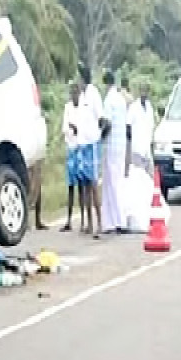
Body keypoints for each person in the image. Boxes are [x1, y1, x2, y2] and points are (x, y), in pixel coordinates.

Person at [77, 64, 104, 239]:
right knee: (84, 185)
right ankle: (88, 223)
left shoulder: (93, 94)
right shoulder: (81, 96)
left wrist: (99, 136)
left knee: (93, 185)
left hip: (92, 144)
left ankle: (100, 223)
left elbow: (101, 118)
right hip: (82, 144)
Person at [101, 69, 129, 234]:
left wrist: (99, 136)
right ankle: (117, 220)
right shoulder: (120, 98)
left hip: (111, 146)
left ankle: (115, 222)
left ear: (106, 83)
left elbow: (108, 123)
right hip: (121, 145)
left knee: (111, 184)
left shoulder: (109, 99)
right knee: (117, 182)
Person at [60, 82, 85, 232]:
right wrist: (73, 129)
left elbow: (84, 127)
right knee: (70, 186)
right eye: (72, 93)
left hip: (81, 148)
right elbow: (65, 127)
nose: (74, 95)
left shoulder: (83, 108)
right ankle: (69, 220)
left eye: (76, 93)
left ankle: (83, 220)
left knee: (82, 186)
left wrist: (75, 128)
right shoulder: (68, 108)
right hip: (71, 147)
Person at [127, 82, 155, 175]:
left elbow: (151, 126)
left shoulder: (149, 106)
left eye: (145, 91)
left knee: (149, 175)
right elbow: (128, 126)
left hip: (147, 147)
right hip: (137, 148)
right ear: (139, 92)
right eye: (142, 91)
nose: (144, 93)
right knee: (138, 175)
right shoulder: (134, 107)